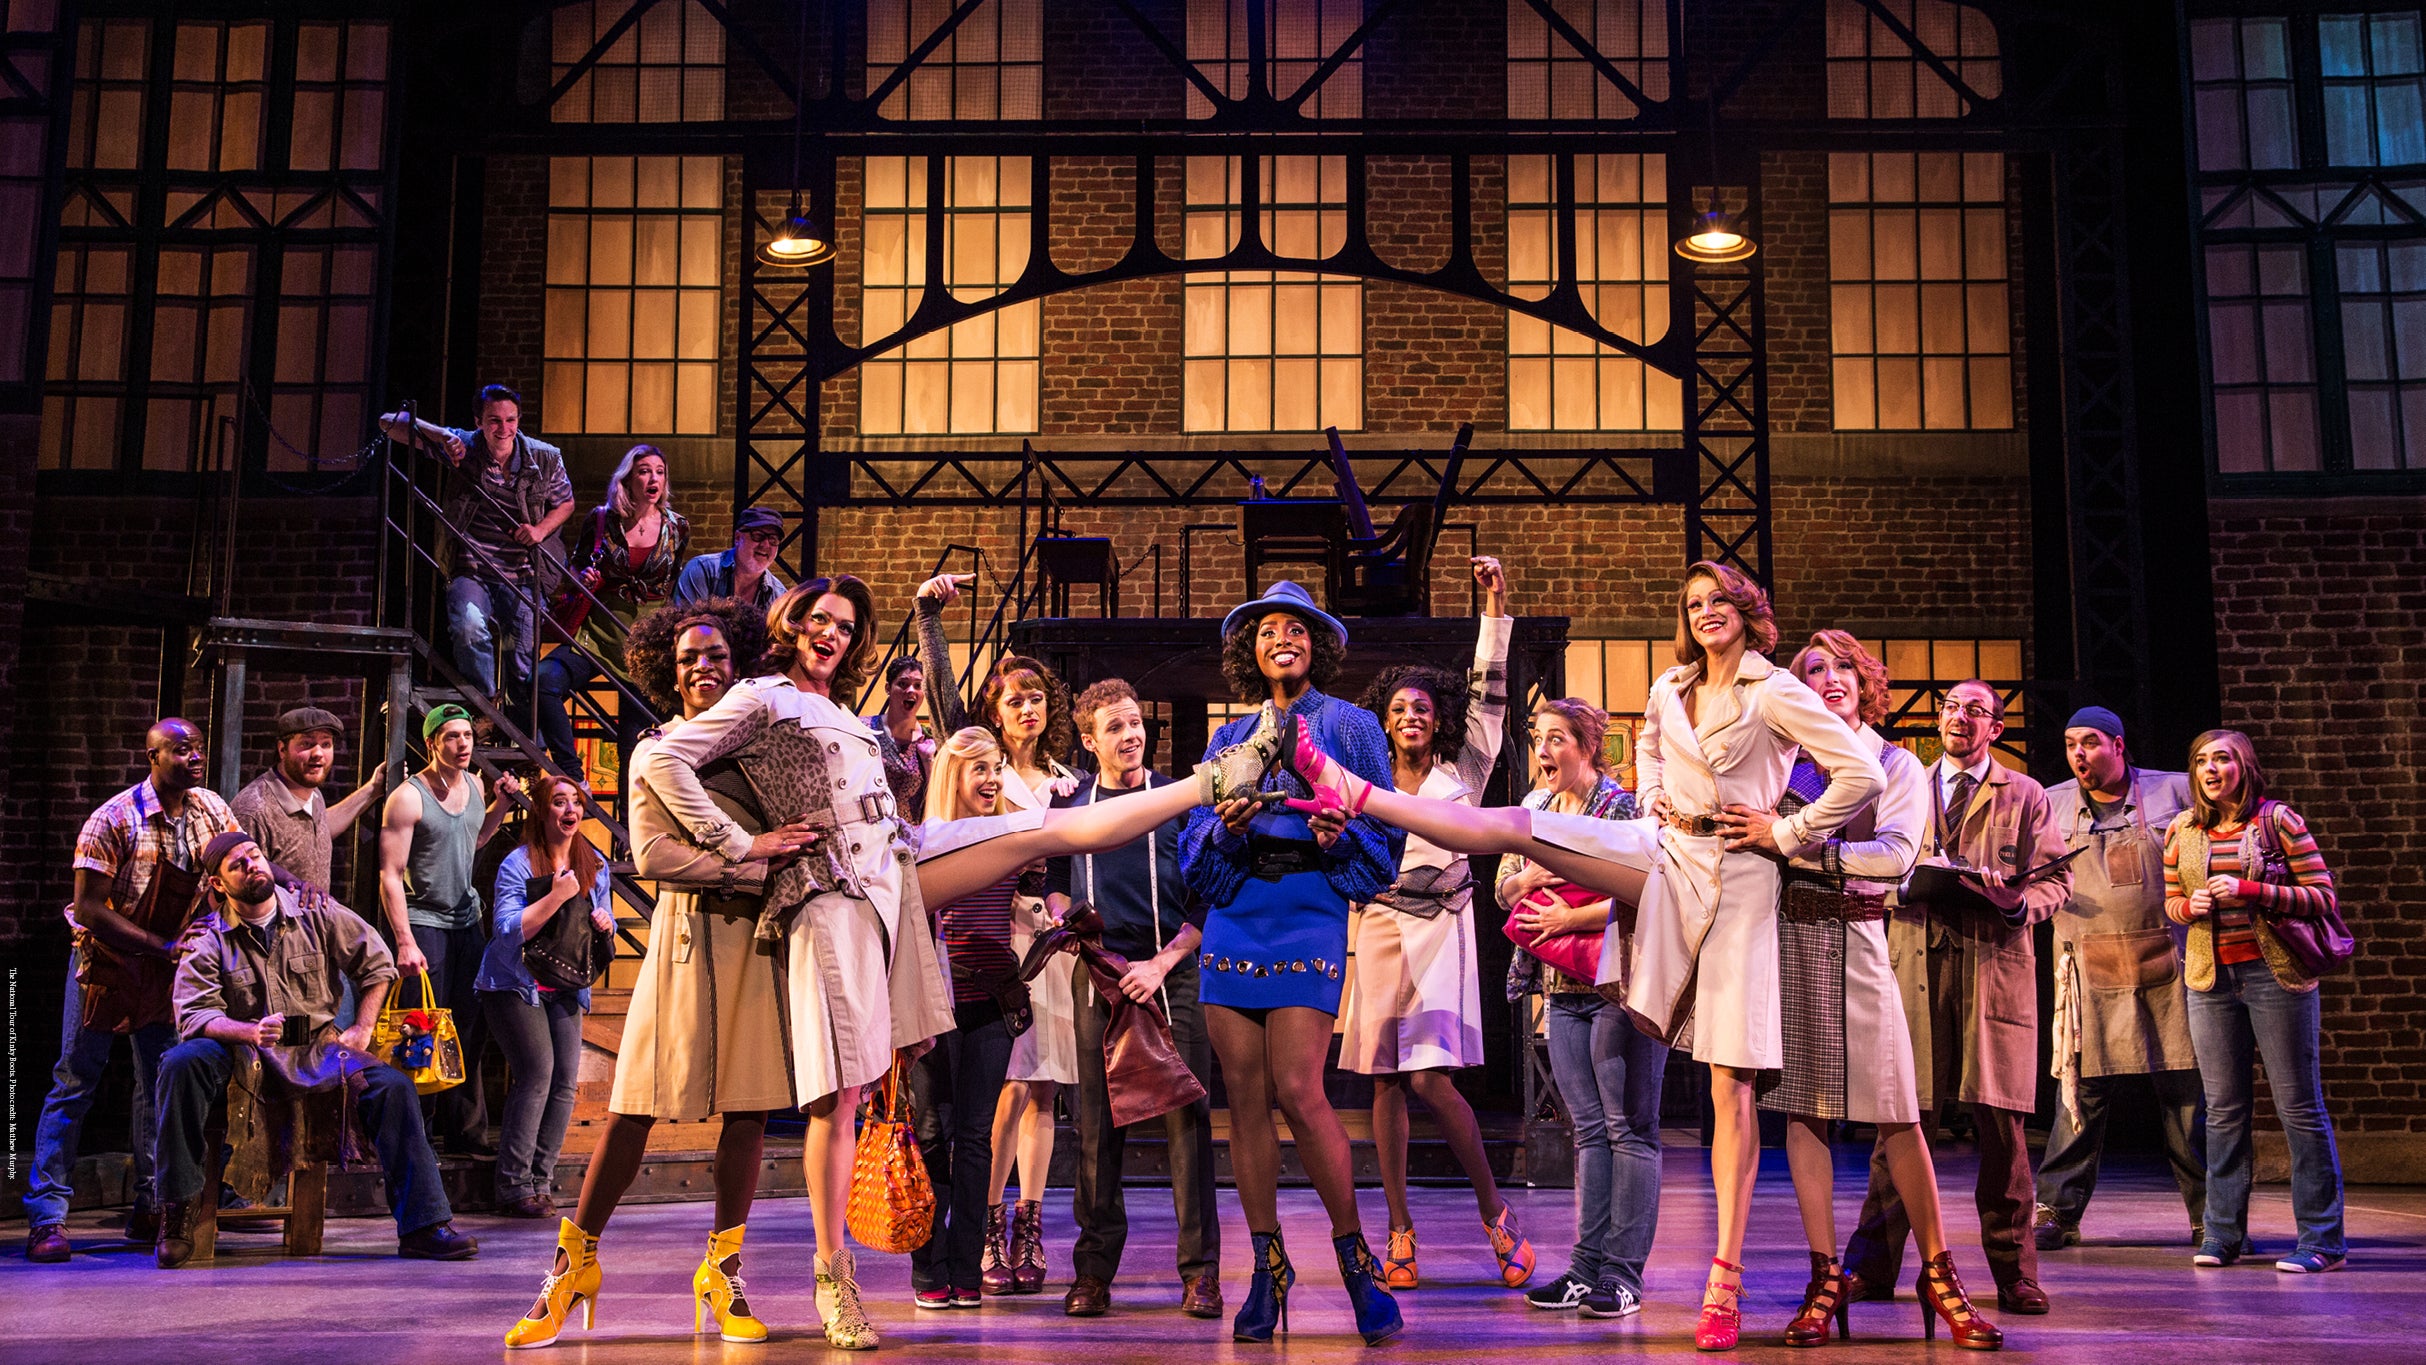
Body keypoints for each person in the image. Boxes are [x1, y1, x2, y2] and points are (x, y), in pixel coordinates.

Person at [622, 577, 1289, 1350]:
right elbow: (660, 762)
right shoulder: (763, 694)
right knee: (842, 1097)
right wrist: (742, 847)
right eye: (818, 619)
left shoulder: (846, 714)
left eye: (845, 625)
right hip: (836, 885)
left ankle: (1210, 778)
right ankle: (834, 1278)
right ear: (789, 624)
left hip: (896, 858)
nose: (831, 633)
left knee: (1048, 829)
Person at [1278, 562, 1882, 1353]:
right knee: (1520, 826)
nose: (1705, 612)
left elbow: (1861, 771)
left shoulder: (1774, 689)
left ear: (1747, 610)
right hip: (1664, 850)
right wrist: (1659, 797)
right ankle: (1353, 790)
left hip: (1737, 875)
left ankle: (1721, 1277)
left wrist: (1788, 831)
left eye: (1719, 601)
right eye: (1693, 602)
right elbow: (1654, 749)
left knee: (1724, 1083)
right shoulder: (1671, 687)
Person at [505, 597, 795, 1349]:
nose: (702, 667)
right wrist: (752, 863)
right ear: (669, 672)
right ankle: (571, 1266)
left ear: (739, 662)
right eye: (687, 658)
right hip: (685, 937)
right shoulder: (659, 744)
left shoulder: (761, 743)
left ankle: (724, 1273)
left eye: (716, 655)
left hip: (756, 939)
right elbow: (655, 856)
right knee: (635, 1104)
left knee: (750, 1108)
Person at [1735, 632, 1999, 1349]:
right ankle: (1825, 1276)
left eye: (1843, 666)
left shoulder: (1894, 763)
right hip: (1789, 942)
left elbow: (1894, 858)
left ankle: (1939, 1273)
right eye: (1814, 668)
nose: (1830, 678)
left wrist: (1791, 843)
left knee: (1897, 1110)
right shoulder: (1785, 761)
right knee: (1803, 1112)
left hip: (1858, 939)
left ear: (1865, 681)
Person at [1178, 580, 1408, 1348]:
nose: (1284, 637)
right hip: (1237, 912)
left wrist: (1343, 835)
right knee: (1244, 1099)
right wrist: (1226, 826)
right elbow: (1192, 849)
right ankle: (1267, 1265)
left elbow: (1388, 845)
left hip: (1310, 907)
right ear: (1251, 649)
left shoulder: (1352, 725)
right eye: (1269, 628)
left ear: (1318, 646)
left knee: (1301, 1089)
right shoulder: (1229, 734)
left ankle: (1356, 1262)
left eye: (1298, 628)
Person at [1844, 679, 2067, 1318]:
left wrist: (2018, 902)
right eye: (1950, 707)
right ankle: (1872, 1266)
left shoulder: (2024, 794)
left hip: (1990, 963)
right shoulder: (1904, 782)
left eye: (1975, 710)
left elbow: (2057, 877)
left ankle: (2015, 1273)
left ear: (1996, 727)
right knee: (1903, 1117)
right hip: (1914, 961)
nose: (1958, 717)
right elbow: (1872, 864)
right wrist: (1896, 890)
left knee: (2001, 1126)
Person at [1342, 555, 1534, 1293]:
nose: (1410, 717)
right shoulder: (1368, 776)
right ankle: (1399, 1229)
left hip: (1441, 923)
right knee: (1385, 1081)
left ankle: (1495, 1212)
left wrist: (1493, 608)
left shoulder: (1465, 769)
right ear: (1384, 720)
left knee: (1429, 1076)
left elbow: (1491, 691)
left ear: (1438, 718)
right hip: (1379, 922)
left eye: (1421, 708)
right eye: (1398, 709)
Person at [154, 832, 478, 1266]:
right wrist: (249, 1032)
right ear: (218, 884)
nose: (252, 866)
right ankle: (178, 1212)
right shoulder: (209, 938)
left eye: (255, 856)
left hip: (314, 1046)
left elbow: (378, 963)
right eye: (237, 865)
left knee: (393, 1087)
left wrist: (362, 1027)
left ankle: (424, 1225)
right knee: (180, 1062)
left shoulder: (315, 912)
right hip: (241, 1052)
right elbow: (195, 1014)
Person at [916, 571, 1079, 1297]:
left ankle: (1005, 1236)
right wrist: (929, 617)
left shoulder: (1065, 782)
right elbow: (948, 708)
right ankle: (953, 1252)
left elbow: (1059, 868)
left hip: (1019, 964)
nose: (1028, 708)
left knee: (1020, 1102)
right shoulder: (960, 796)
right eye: (1015, 698)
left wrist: (1058, 909)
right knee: (943, 1127)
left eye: (1037, 697)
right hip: (952, 970)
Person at [26, 718, 242, 1262]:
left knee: (160, 1083)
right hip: (106, 962)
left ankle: (151, 1204)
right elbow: (90, 908)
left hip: (167, 966)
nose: (195, 758)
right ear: (153, 756)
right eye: (181, 750)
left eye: (198, 748)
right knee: (75, 1080)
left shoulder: (211, 809)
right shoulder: (114, 818)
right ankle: (47, 1216)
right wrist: (158, 945)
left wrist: (295, 888)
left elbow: (241, 864)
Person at [1048, 679, 1219, 1320]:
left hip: (1169, 973)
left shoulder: (1174, 802)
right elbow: (1055, 881)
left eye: (1135, 723)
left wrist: (1162, 963)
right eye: (1115, 727)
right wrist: (1066, 920)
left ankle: (1200, 1274)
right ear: (1089, 740)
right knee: (1096, 1126)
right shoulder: (1073, 807)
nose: (1130, 735)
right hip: (1101, 976)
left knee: (1188, 1123)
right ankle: (1093, 1273)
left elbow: (1206, 899)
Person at [1495, 698, 1659, 1322]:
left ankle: (1622, 1275)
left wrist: (1571, 916)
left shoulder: (1622, 808)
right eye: (1539, 738)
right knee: (1588, 1130)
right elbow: (1504, 886)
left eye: (1557, 738)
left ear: (1588, 747)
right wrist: (1530, 881)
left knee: (1627, 1128)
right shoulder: (1534, 809)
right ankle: (1585, 1269)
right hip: (1560, 987)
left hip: (1619, 985)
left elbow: (1648, 890)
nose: (1543, 750)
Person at [2166, 729, 2347, 1274]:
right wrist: (2189, 907)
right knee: (2223, 1112)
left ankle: (2322, 1241)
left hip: (2276, 977)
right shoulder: (2182, 829)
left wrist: (2253, 890)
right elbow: (2171, 900)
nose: (2210, 769)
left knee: (2299, 1108)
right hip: (2210, 981)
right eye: (2201, 760)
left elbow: (2322, 896)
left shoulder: (2278, 821)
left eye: (2221, 759)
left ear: (2243, 766)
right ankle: (2224, 1234)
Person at [2033, 706, 2204, 1252]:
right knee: (2079, 1093)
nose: (2078, 754)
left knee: (2185, 1092)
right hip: (2087, 967)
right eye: (2070, 744)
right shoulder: (2051, 802)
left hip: (2168, 962)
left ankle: (2212, 1214)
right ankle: (2056, 1209)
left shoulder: (2174, 792)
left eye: (2089, 742)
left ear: (2119, 746)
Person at [907, 728, 1026, 1311]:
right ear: (953, 776)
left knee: (977, 1138)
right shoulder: (925, 841)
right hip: (934, 1004)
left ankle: (966, 1268)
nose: (992, 779)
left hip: (993, 1002)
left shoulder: (1011, 834)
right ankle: (929, 1267)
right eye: (979, 768)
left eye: (997, 767)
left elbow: (1047, 851)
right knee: (933, 1133)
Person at [379, 704, 521, 1156]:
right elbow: (389, 873)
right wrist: (404, 940)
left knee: (467, 1029)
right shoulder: (409, 797)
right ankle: (416, 1137)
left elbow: (475, 839)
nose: (463, 744)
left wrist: (501, 805)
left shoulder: (475, 785)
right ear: (431, 743)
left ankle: (465, 1133)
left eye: (468, 736)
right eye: (452, 737)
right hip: (425, 922)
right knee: (422, 1029)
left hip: (467, 921)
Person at [380, 385, 574, 705]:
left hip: (523, 573)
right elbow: (387, 422)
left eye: (511, 420)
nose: (503, 429)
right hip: (471, 568)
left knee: (522, 661)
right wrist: (442, 435)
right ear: (478, 422)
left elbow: (566, 503)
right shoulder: (464, 446)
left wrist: (540, 530)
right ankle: (486, 705)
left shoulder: (545, 456)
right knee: (469, 629)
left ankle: (521, 728)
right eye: (494, 420)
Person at [478, 772, 616, 1218]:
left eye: (575, 801)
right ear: (542, 810)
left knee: (564, 1083)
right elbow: (505, 930)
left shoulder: (595, 863)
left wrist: (606, 923)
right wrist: (556, 896)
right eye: (559, 801)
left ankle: (540, 1180)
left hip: (567, 983)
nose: (569, 809)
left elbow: (607, 917)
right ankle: (513, 1185)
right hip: (515, 984)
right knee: (538, 1073)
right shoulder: (519, 863)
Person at [534, 443, 690, 780]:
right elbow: (575, 567)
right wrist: (583, 578)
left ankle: (627, 816)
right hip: (597, 634)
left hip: (645, 644)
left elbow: (674, 582)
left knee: (633, 747)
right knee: (543, 681)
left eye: (660, 472)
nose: (654, 479)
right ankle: (572, 774)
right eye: (644, 471)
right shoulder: (602, 518)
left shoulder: (677, 527)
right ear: (628, 479)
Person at [231, 705, 388, 897]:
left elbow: (319, 830)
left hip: (314, 917)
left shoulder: (313, 794)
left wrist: (373, 789)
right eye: (306, 744)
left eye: (326, 744)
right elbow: (239, 883)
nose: (318, 753)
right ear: (282, 749)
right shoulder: (254, 810)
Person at [671, 506, 788, 614]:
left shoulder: (779, 595)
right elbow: (686, 624)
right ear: (738, 538)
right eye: (758, 535)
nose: (766, 545)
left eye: (773, 539)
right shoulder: (702, 570)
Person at [870, 656, 937, 816]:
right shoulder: (866, 730)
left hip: (913, 829)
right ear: (888, 688)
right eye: (903, 684)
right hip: (873, 827)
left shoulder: (929, 740)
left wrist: (929, 761)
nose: (911, 690)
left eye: (918, 685)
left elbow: (938, 797)